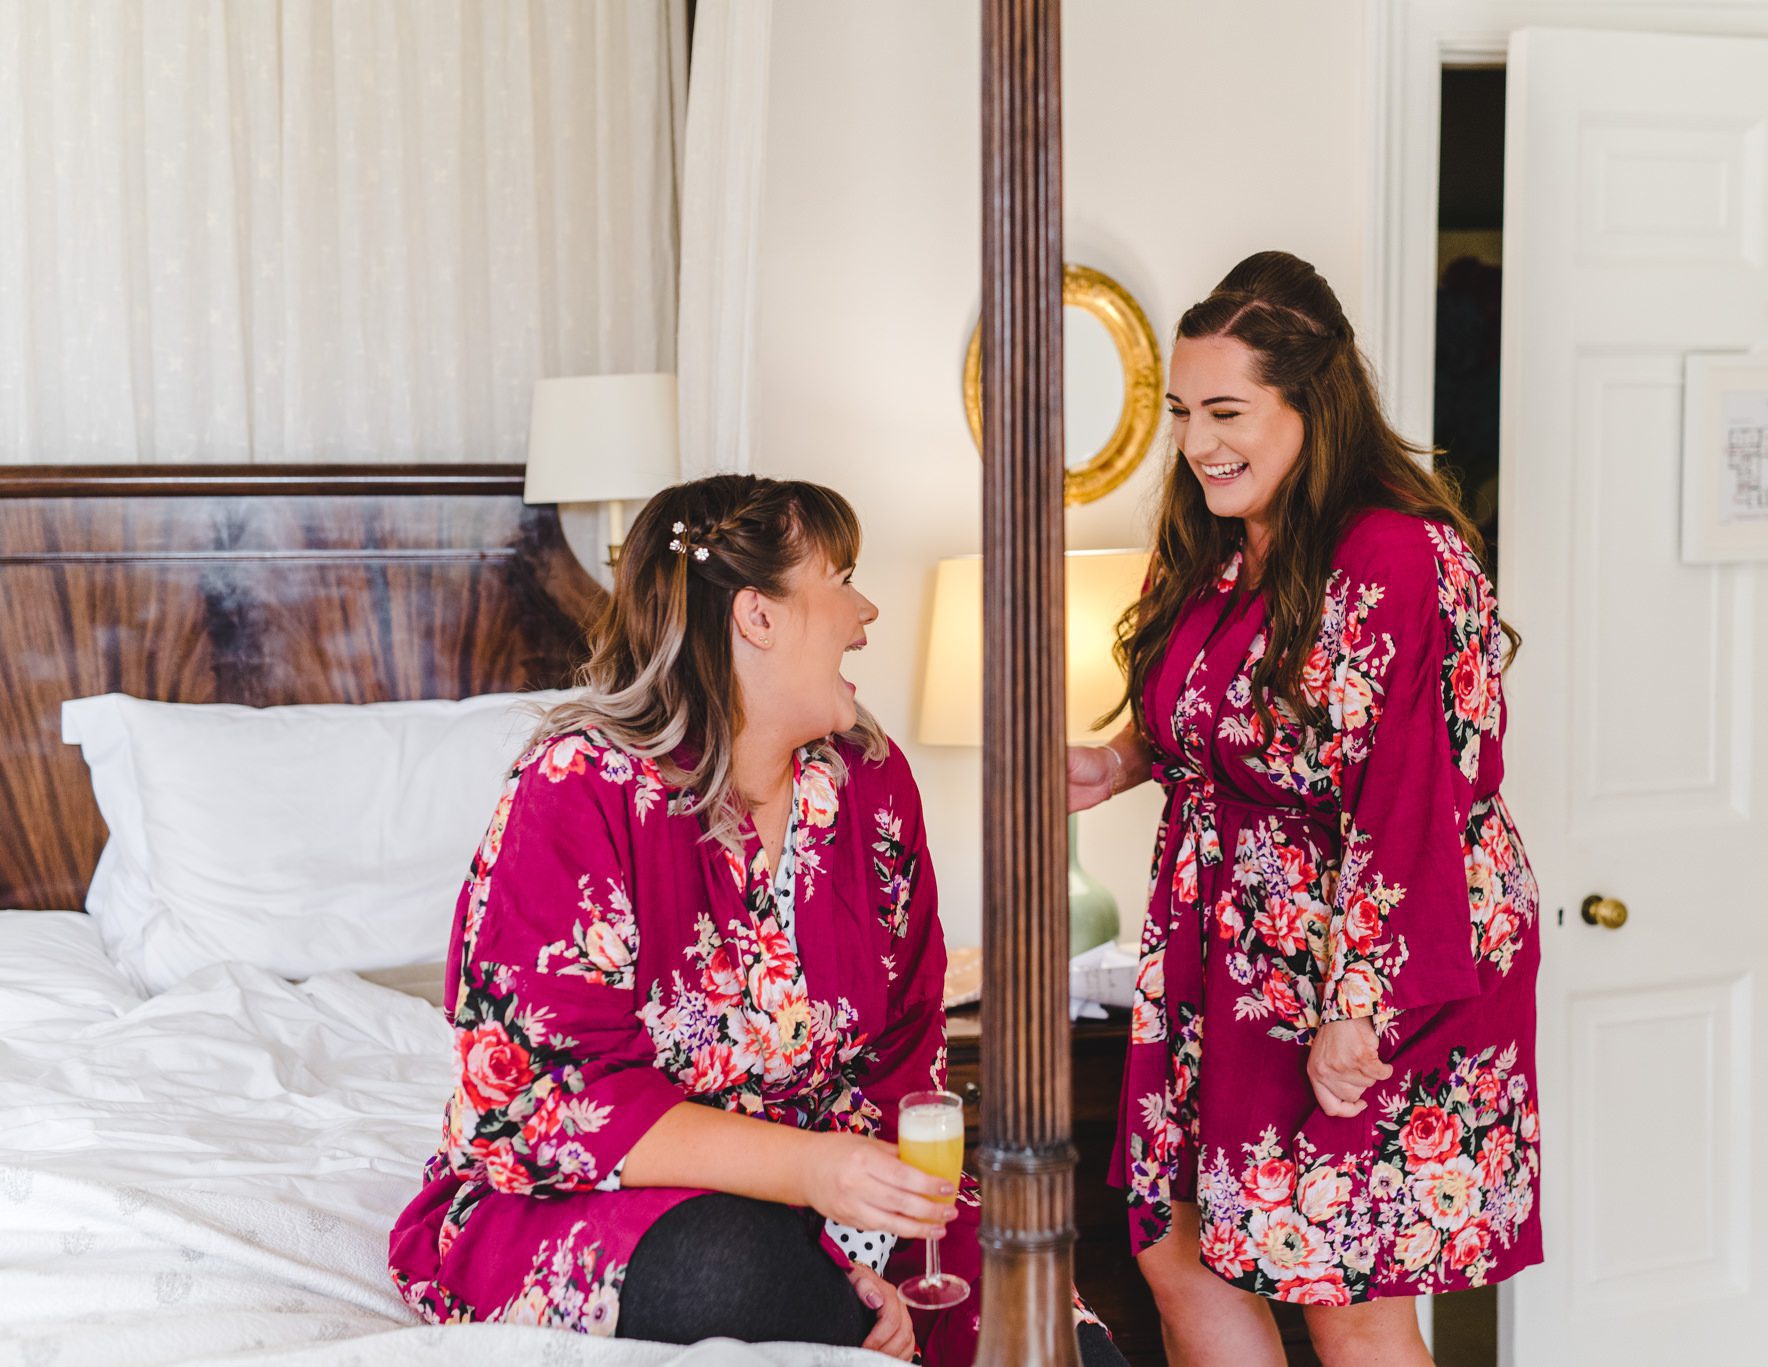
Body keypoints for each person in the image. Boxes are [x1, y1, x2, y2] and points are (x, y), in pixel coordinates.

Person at [389, 474, 1119, 1365]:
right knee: (735, 1269)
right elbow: (546, 1096)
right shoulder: (578, 791)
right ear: (756, 617)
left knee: (1032, 1302)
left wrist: (865, 1240)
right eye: (842, 576)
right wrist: (814, 1182)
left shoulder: (869, 784)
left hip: (835, 1194)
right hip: (593, 1194)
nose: (867, 609)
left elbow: (903, 1056)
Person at [1069, 252, 1542, 1367]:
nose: (1195, 442)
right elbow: (1242, 715)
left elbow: (1409, 794)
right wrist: (1122, 759)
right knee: (1169, 1238)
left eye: (1226, 411)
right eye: (1183, 411)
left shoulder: (1397, 553)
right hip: (1219, 951)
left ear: (1310, 405)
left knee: (1345, 1283)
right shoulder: (1215, 544)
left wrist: (1358, 1007)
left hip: (1368, 943)